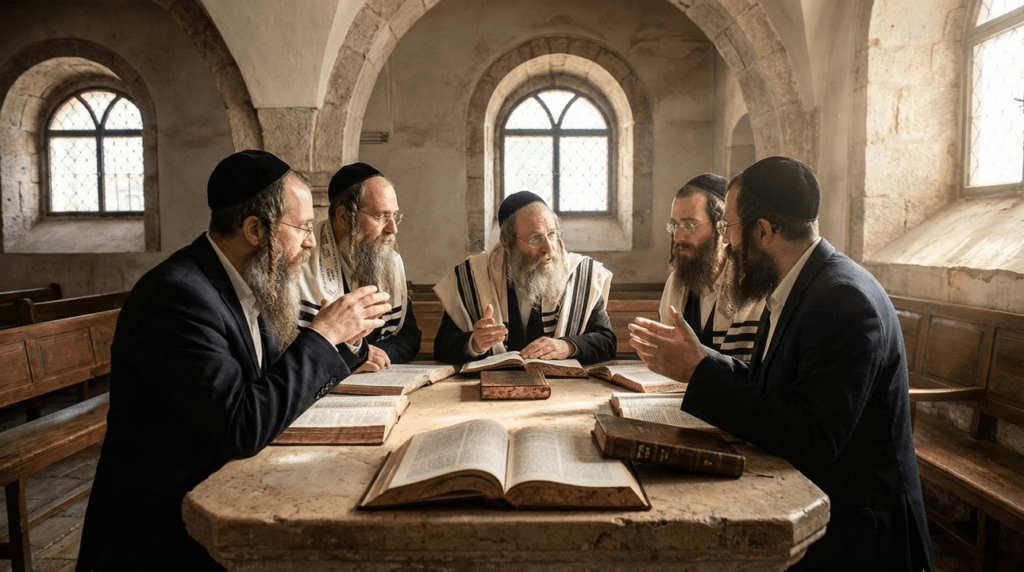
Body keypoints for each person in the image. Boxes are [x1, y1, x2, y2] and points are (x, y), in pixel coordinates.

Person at [77, 150, 391, 571]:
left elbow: (271, 381)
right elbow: (243, 424)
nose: (312, 240)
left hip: (212, 496)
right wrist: (323, 334)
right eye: (300, 227)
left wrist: (343, 343)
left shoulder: (241, 283)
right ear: (255, 229)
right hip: (164, 532)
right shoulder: (180, 297)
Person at [629, 156, 933, 571]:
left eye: (728, 229)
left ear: (763, 231)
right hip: (826, 512)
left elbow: (808, 438)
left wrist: (699, 373)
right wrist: (702, 360)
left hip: (858, 534)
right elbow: (771, 389)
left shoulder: (843, 300)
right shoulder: (798, 284)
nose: (727, 242)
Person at [433, 191, 616, 365]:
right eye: (535, 238)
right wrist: (473, 343)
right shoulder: (474, 275)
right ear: (506, 241)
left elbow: (607, 343)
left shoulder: (581, 275)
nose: (549, 248)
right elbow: (442, 346)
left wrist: (567, 346)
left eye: (552, 234)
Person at [298, 162, 420, 372]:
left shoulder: (388, 260)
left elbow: (408, 337)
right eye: (382, 216)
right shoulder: (301, 264)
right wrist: (352, 356)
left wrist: (370, 355)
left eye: (394, 216)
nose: (393, 229)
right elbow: (286, 348)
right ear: (344, 216)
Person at [660, 173, 764, 360]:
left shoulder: (752, 288)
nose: (678, 237)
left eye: (690, 225)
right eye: (675, 225)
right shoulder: (676, 283)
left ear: (722, 226)